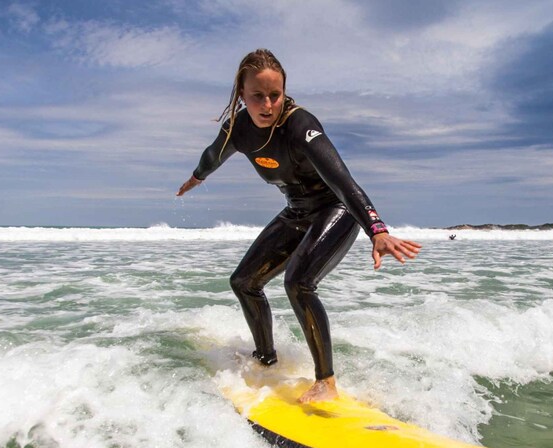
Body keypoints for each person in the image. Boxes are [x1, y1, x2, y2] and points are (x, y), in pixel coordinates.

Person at [177, 49, 421, 403]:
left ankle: (326, 382)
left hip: (336, 209)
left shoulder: (300, 125)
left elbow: (342, 181)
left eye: (274, 95)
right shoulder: (238, 128)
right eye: (257, 96)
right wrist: (197, 177)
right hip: (297, 211)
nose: (267, 104)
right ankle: (265, 358)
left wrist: (376, 229)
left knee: (298, 282)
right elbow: (213, 154)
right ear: (241, 95)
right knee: (244, 282)